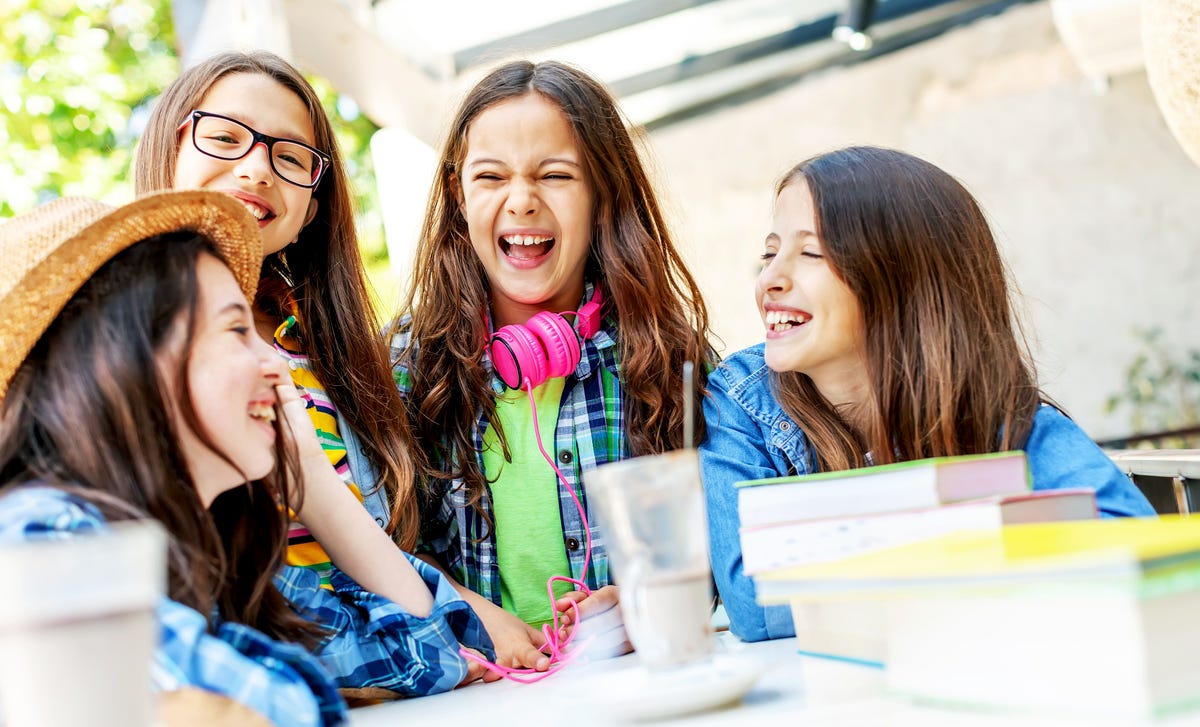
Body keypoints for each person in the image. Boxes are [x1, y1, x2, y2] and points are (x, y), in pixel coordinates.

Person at [0, 192, 489, 726]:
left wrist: (309, 477)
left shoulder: (203, 559)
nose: (276, 366)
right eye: (238, 331)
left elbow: (430, 652)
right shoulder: (38, 536)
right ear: (120, 360)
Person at [699, 146, 1157, 643]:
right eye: (770, 253)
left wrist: (844, 563)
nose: (770, 277)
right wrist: (980, 535)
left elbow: (1132, 542)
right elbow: (755, 603)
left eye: (811, 252)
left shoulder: (989, 411)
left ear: (903, 278)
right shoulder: (741, 400)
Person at [389, 59, 714, 673]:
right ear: (460, 197)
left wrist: (648, 597)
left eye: (556, 175)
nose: (521, 200)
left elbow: (714, 549)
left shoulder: (665, 359)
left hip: (640, 682)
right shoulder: (408, 369)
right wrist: (469, 614)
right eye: (491, 176)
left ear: (602, 195)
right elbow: (378, 551)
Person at [134, 50, 423, 589]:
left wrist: (464, 616)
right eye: (224, 138)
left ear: (309, 212)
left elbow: (386, 543)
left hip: (399, 654)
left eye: (290, 157)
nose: (257, 168)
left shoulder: (335, 356)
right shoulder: (120, 347)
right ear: (167, 150)